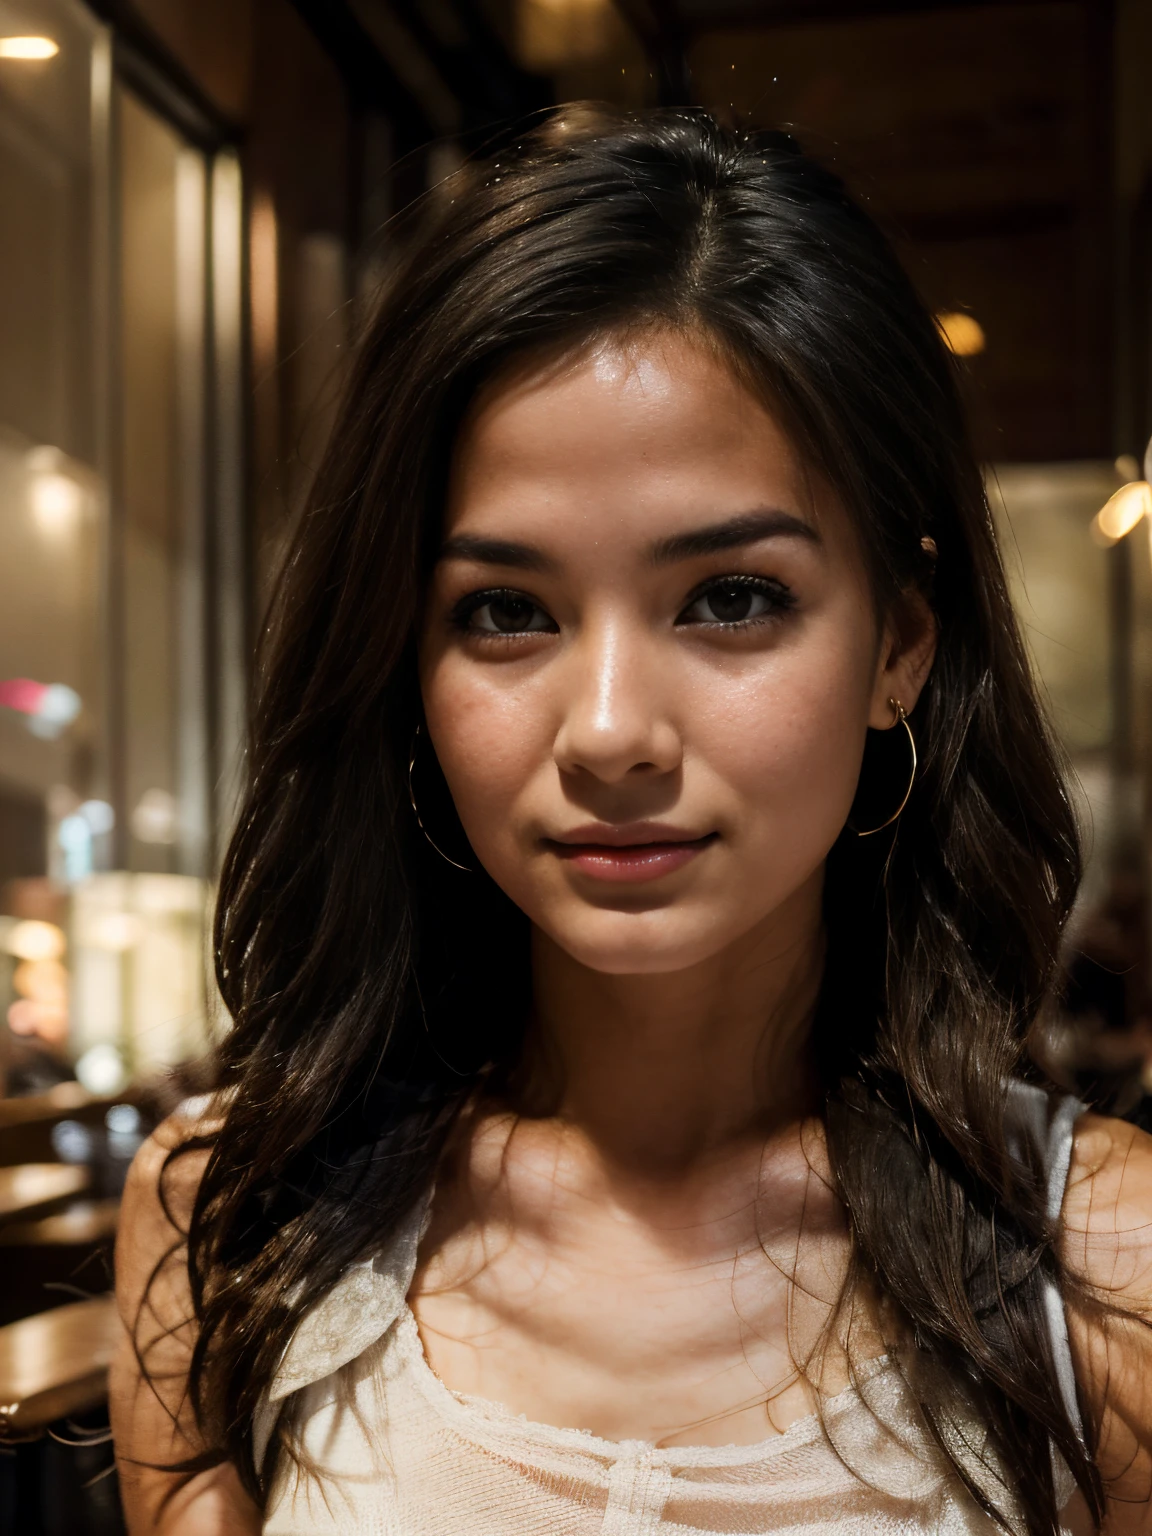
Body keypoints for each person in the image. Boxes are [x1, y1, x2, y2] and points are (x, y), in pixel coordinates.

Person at [110, 108, 1152, 1535]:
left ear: (902, 641)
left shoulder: (1105, 1268)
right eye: (506, 612)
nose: (607, 731)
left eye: (731, 597)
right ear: (405, 664)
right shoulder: (230, 1226)